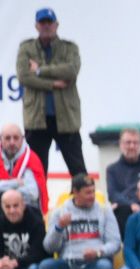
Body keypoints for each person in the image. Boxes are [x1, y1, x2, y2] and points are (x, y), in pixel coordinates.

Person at [34, 173, 117, 269]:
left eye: (93, 191)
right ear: (75, 192)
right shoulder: (60, 213)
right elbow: (49, 247)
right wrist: (59, 228)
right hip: (69, 263)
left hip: (94, 262)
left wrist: (99, 252)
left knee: (105, 268)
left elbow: (115, 243)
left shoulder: (104, 211)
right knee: (45, 267)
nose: (92, 196)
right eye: (87, 193)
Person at [17, 8, 86, 182]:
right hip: (37, 120)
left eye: (49, 22)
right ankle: (38, 208)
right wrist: (53, 83)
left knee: (78, 170)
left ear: (56, 25)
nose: (46, 26)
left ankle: (83, 206)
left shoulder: (69, 48)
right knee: (37, 172)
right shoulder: (26, 48)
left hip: (66, 118)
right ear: (36, 26)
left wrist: (40, 70)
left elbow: (70, 71)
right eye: (42, 23)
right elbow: (24, 77)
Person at [104, 127, 140, 233]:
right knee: (119, 210)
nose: (132, 146)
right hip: (123, 212)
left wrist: (135, 203)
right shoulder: (112, 169)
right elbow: (112, 194)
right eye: (128, 142)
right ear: (120, 144)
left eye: (135, 143)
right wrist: (131, 205)